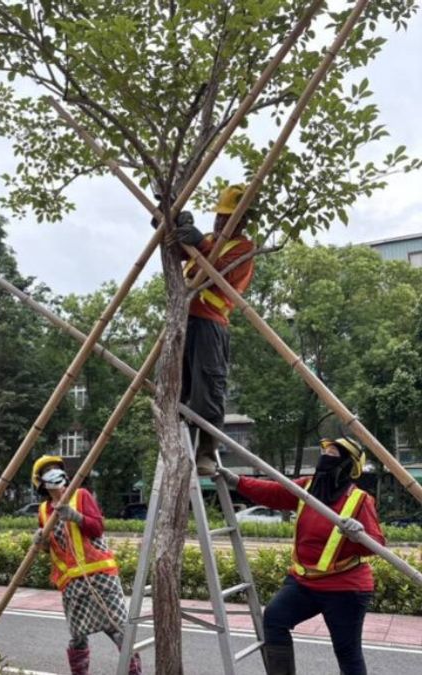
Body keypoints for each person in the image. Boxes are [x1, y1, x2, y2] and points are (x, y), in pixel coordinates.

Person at [216, 438, 384, 675]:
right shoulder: (306, 488)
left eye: (333, 454)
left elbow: (376, 544)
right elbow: (273, 492)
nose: (325, 457)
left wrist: (360, 533)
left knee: (347, 652)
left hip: (345, 589)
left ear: (348, 465)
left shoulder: (359, 500)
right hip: (304, 583)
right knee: (274, 620)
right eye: (324, 452)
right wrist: (237, 482)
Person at [169, 184, 256, 474]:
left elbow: (224, 275)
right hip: (183, 320)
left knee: (208, 386)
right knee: (177, 384)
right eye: (219, 216)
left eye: (227, 217)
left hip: (210, 322)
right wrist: (172, 222)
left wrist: (201, 244)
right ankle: (176, 441)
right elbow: (176, 248)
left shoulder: (244, 249)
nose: (220, 222)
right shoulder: (207, 239)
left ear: (242, 220)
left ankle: (206, 450)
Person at [31, 456, 139, 675]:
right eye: (48, 471)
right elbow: (51, 549)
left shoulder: (80, 495)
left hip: (100, 578)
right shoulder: (44, 511)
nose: (55, 474)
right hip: (72, 584)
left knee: (119, 631)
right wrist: (40, 541)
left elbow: (97, 528)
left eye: (57, 469)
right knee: (77, 637)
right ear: (40, 482)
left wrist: (76, 517)